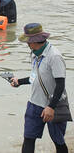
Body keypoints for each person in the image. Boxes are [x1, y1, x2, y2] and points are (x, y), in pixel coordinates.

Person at [10, 23, 69, 153]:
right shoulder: (35, 54)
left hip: (54, 105)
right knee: (29, 139)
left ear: (35, 41)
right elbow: (35, 77)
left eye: (28, 42)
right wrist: (19, 81)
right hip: (34, 103)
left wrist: (51, 107)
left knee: (58, 141)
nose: (27, 44)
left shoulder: (54, 56)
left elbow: (60, 85)